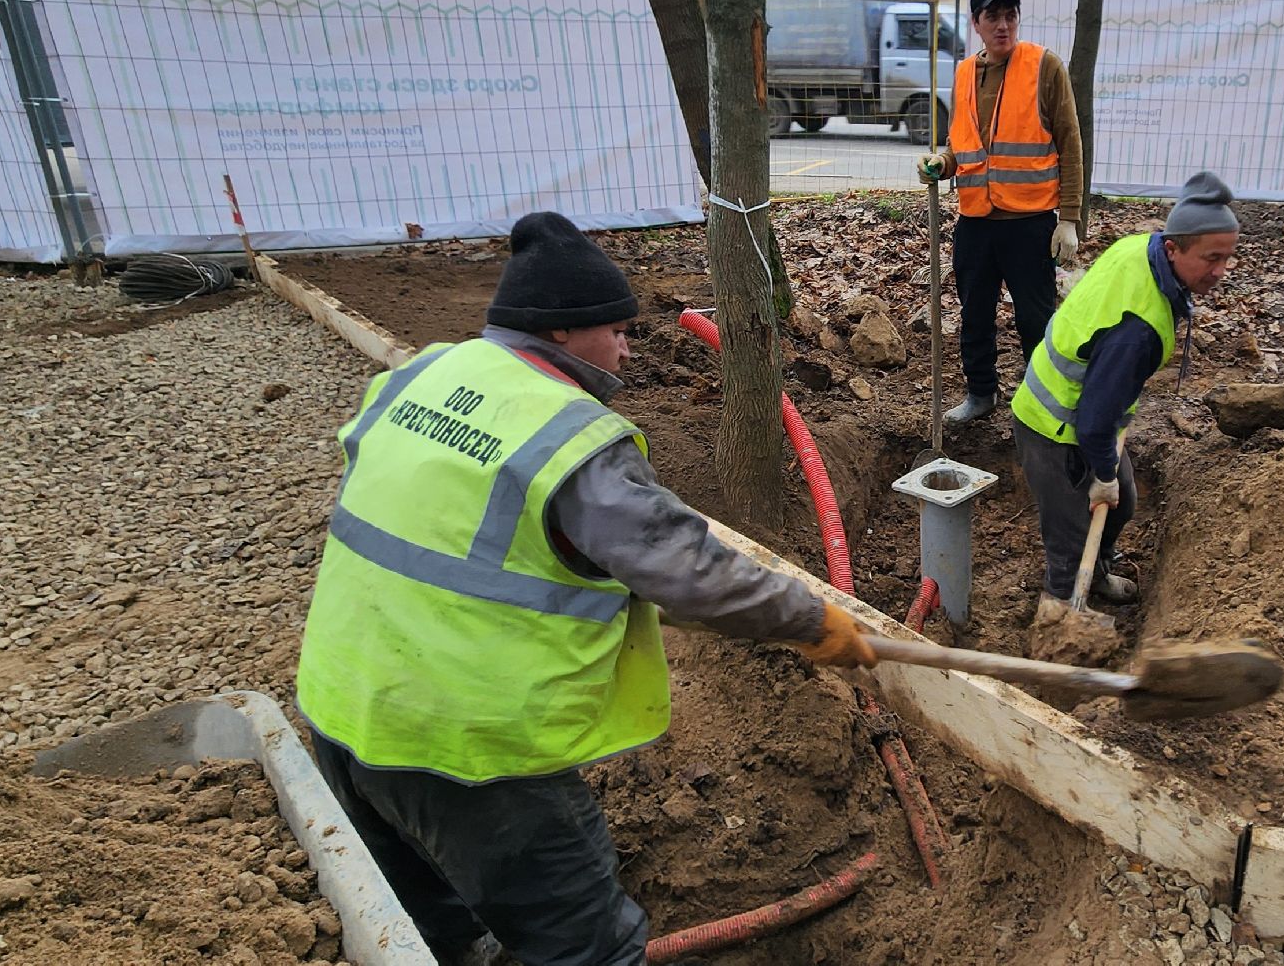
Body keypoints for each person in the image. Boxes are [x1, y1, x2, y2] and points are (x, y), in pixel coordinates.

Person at [294, 211, 876, 966]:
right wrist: (810, 620)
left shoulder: (422, 373)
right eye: (618, 330)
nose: (629, 348)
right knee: (587, 945)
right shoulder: (568, 436)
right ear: (563, 333)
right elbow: (691, 573)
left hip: (341, 707)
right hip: (469, 749)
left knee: (426, 926)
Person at [1009, 171, 1240, 616]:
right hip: (1052, 426)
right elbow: (1095, 418)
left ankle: (1095, 575)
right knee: (1071, 534)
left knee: (1122, 502)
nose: (1220, 271)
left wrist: (1109, 478)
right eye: (1212, 258)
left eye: (1227, 258)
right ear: (1173, 248)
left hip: (1090, 411)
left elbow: (1104, 400)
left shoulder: (1144, 248)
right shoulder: (1138, 330)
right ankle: (1059, 614)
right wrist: (1102, 474)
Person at [916, 0, 1083, 423]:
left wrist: (1069, 217)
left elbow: (1069, 142)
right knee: (974, 316)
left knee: (1035, 319)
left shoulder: (1045, 67)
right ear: (976, 23)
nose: (1004, 25)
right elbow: (965, 146)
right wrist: (943, 163)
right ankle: (981, 394)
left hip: (1029, 223)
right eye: (994, 16)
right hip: (976, 220)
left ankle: (1043, 402)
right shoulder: (965, 73)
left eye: (1011, 15)